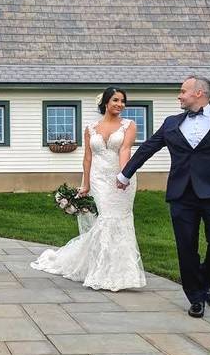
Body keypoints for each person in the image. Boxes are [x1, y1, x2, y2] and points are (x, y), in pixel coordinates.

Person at [117, 76, 210, 318]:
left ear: (199, 93)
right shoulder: (171, 123)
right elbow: (148, 147)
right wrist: (125, 174)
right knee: (186, 247)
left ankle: (206, 279)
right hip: (182, 195)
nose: (179, 96)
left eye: (183, 91)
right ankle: (196, 296)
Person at [30, 87, 147, 291]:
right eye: (115, 100)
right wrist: (85, 183)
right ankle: (100, 269)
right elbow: (88, 157)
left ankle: (121, 272)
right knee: (105, 219)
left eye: (122, 101)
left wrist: (124, 175)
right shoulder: (91, 128)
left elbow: (125, 149)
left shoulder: (129, 125)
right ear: (105, 103)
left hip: (120, 178)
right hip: (98, 178)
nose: (120, 104)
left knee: (119, 220)